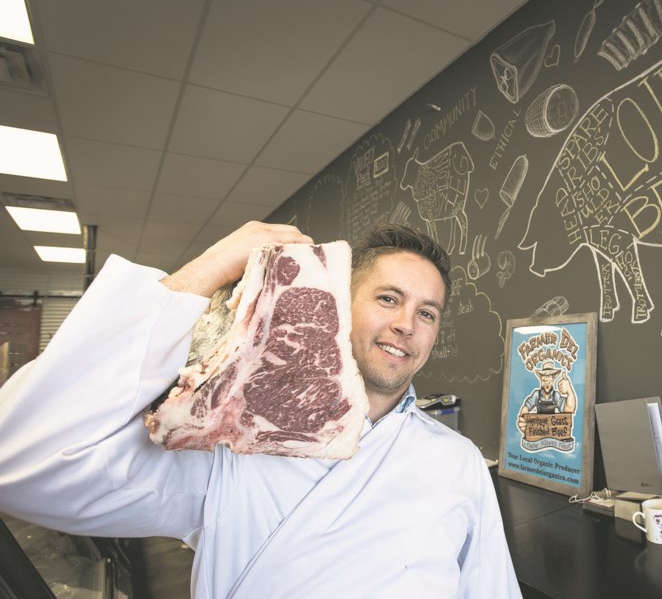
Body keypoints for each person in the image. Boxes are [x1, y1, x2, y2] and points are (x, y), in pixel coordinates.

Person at [0, 221, 521, 599]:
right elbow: (19, 465)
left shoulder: (458, 461)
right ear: (338, 301)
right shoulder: (236, 445)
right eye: (388, 299)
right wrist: (205, 270)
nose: (408, 323)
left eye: (426, 312)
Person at [516, 360, 577, 434]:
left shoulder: (556, 396)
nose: (547, 379)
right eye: (544, 375)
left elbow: (569, 409)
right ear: (541, 379)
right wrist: (523, 419)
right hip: (538, 433)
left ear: (553, 379)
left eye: (549, 376)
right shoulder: (536, 394)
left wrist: (569, 390)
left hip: (553, 433)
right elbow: (526, 407)